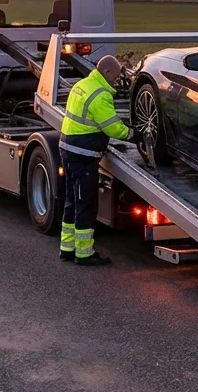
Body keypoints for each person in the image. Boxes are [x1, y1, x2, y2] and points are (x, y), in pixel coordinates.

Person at [58, 54, 139, 265]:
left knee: (72, 200)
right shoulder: (100, 94)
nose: (116, 81)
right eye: (116, 77)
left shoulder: (82, 84)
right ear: (107, 71)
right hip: (83, 155)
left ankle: (67, 248)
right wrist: (132, 134)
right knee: (86, 204)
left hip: (68, 149)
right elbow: (113, 128)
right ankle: (84, 254)